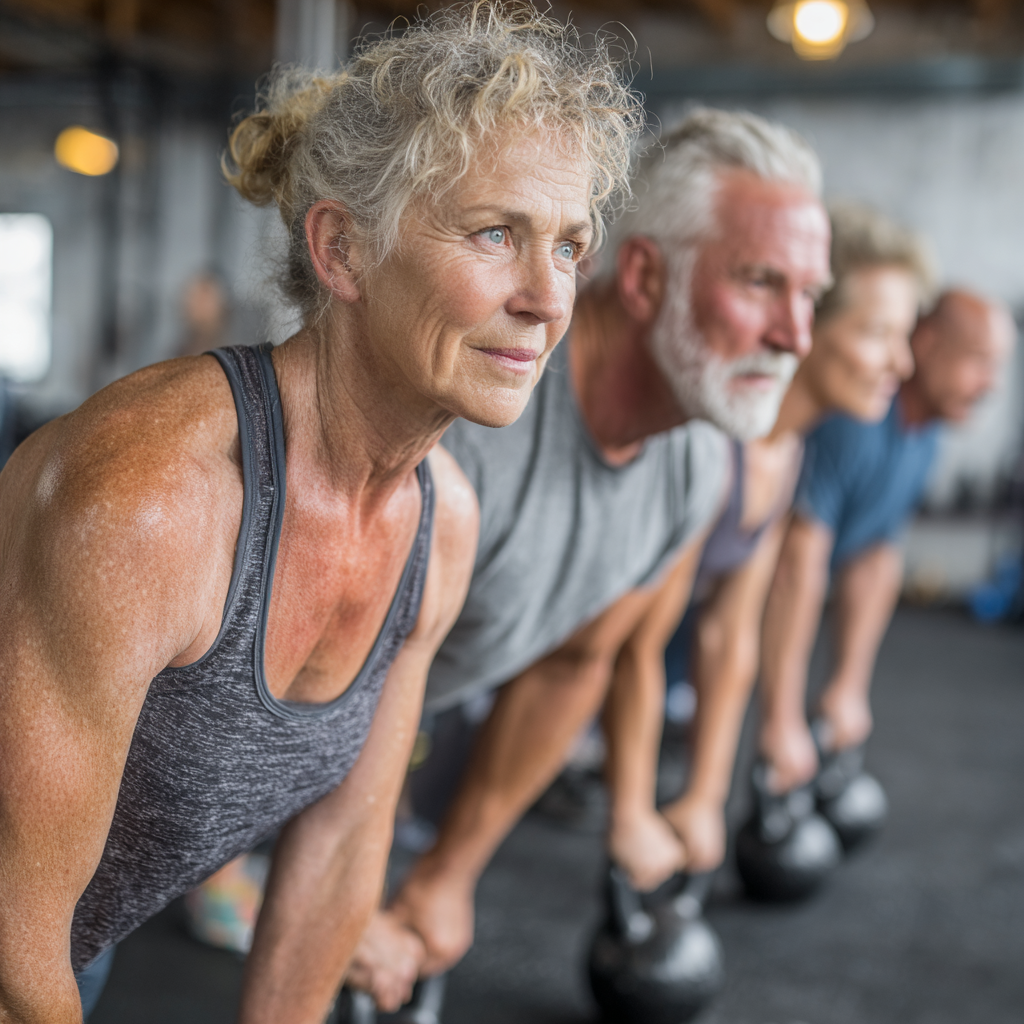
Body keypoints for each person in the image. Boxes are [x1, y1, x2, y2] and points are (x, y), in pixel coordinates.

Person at [0, 6, 641, 1021]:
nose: (545, 297)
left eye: (568, 247)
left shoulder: (442, 524)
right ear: (341, 250)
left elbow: (342, 847)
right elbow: (10, 935)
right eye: (494, 233)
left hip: (71, 944)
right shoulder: (152, 503)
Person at [351, 107, 833, 1009]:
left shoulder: (694, 464)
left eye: (811, 295)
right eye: (763, 283)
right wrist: (347, 896)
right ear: (646, 276)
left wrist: (446, 877)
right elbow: (323, 684)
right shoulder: (474, 419)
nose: (796, 335)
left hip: (358, 751)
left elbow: (574, 663)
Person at [601, 203, 933, 890]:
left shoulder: (783, 452)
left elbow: (731, 633)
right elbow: (634, 644)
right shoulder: (714, 448)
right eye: (877, 334)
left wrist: (705, 797)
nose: (901, 364)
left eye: (904, 337)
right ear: (807, 326)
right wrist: (632, 814)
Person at [758, 288, 1016, 802]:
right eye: (979, 362)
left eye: (998, 368)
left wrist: (847, 689)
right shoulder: (858, 418)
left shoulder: (926, 431)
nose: (990, 385)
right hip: (708, 618)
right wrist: (782, 720)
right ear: (928, 342)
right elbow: (795, 563)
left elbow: (874, 556)